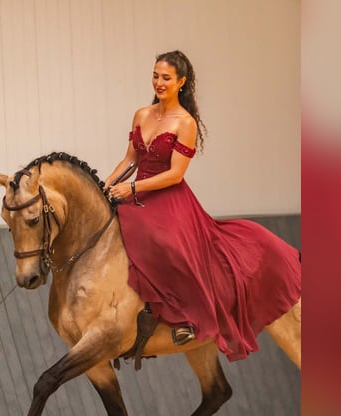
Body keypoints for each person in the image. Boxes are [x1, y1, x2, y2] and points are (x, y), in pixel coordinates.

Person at [104, 50, 301, 360]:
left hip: (168, 199)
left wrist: (131, 187)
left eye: (166, 77)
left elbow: (174, 174)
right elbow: (130, 158)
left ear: (181, 82)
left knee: (167, 244)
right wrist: (107, 184)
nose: (158, 82)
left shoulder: (186, 122)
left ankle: (186, 319)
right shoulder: (142, 114)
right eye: (155, 75)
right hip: (137, 194)